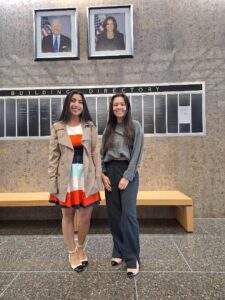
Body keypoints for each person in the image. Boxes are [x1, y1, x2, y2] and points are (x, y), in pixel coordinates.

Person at [48, 90, 101, 272]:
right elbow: (53, 156)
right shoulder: (58, 127)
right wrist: (52, 181)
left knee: (86, 215)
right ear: (67, 104)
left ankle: (80, 248)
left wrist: (97, 178)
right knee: (68, 215)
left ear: (83, 105)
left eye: (80, 101)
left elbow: (95, 153)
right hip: (66, 178)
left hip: (86, 177)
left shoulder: (90, 126)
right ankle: (72, 252)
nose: (76, 104)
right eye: (73, 101)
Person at [101, 93, 144, 279]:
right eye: (115, 104)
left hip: (128, 171)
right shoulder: (108, 128)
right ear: (112, 108)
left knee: (128, 215)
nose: (119, 107)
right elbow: (101, 153)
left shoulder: (135, 126)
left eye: (122, 104)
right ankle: (118, 251)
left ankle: (132, 257)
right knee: (114, 215)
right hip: (110, 172)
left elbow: (137, 154)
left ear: (127, 107)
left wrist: (127, 176)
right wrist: (103, 174)